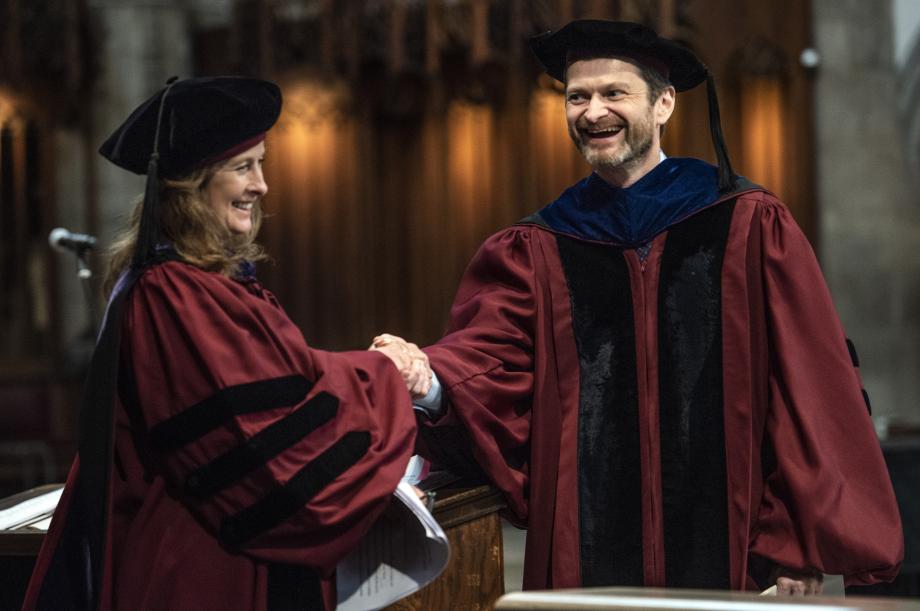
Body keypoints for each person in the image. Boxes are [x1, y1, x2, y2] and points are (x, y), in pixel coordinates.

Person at [384, 20, 904, 596]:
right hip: (586, 566)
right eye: (577, 96)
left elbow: (808, 390)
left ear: (663, 104)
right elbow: (490, 367)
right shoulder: (538, 248)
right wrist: (430, 379)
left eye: (614, 93)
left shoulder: (747, 223)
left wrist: (794, 547)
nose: (592, 111)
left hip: (737, 559)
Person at [23, 77, 430, 611]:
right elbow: (254, 434)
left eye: (262, 164)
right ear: (190, 186)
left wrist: (373, 370)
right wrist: (382, 372)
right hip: (202, 567)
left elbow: (284, 384)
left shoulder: (212, 285)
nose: (261, 185)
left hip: (228, 554)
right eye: (243, 167)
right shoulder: (173, 294)